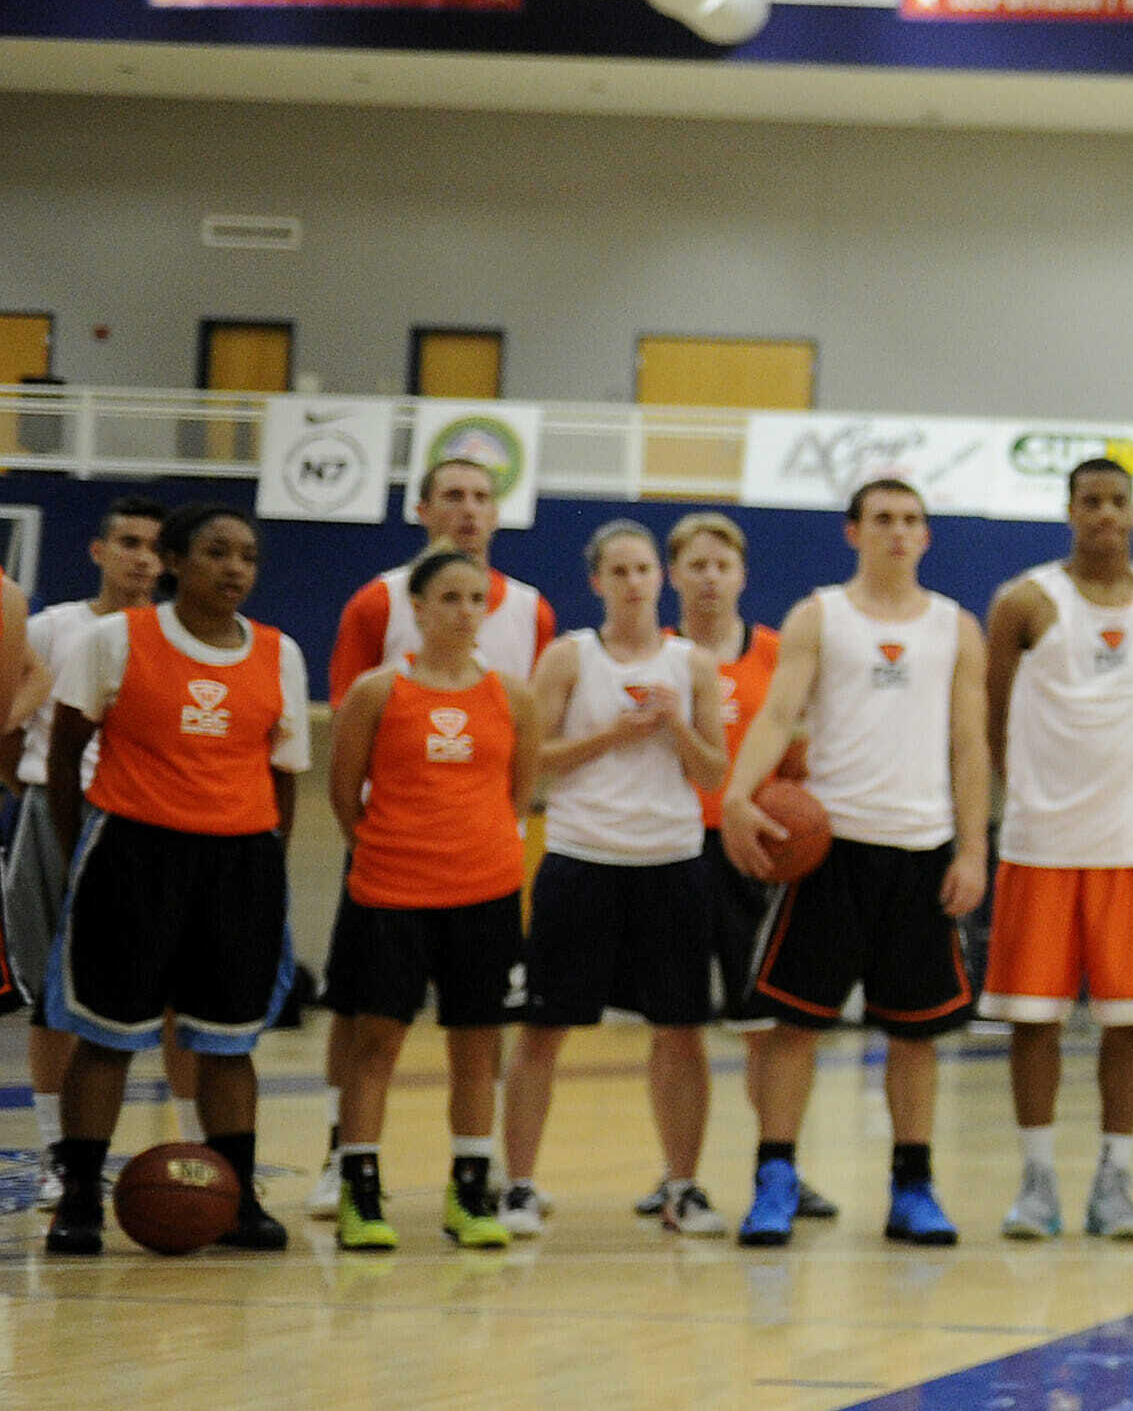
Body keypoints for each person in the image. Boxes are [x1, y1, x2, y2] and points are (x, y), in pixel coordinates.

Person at [717, 477, 991, 1248]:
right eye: (882, 520)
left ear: (926, 537)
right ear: (854, 532)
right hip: (831, 850)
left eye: (911, 521)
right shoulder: (820, 615)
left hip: (921, 850)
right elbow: (777, 714)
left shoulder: (954, 627)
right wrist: (740, 794)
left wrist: (973, 848)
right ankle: (775, 1177)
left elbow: (970, 746)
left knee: (915, 1034)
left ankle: (913, 1186)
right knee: (794, 1027)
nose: (897, 532)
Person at [38, 504, 306, 1258]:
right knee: (106, 1035)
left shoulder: (280, 653)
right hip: (132, 853)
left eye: (248, 556)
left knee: (227, 1041)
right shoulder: (114, 640)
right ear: (174, 562)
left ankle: (238, 1198)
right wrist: (81, 846)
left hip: (240, 861)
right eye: (217, 552)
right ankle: (81, 1199)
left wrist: (261, 858)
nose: (235, 569)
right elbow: (65, 758)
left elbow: (284, 774)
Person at [310, 455, 554, 1223]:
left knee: (477, 1035)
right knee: (363, 1021)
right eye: (454, 496)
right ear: (423, 509)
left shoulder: (533, 613)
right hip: (391, 853)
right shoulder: (374, 603)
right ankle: (340, 1161)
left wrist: (494, 834)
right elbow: (344, 763)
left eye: (483, 497)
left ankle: (474, 1182)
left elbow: (523, 775)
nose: (470, 509)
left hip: (478, 860)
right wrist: (375, 837)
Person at [983, 458, 1133, 1243]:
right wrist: (1027, 794)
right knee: (1031, 1020)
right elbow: (993, 717)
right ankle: (1037, 1180)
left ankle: (1115, 1179)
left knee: (1130, 1020)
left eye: (1118, 501)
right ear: (1069, 510)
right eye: (1090, 501)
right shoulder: (1024, 602)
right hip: (1041, 844)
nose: (1105, 513)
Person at [508, 522, 730, 1237]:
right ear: (597, 581)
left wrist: (674, 730)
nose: (635, 582)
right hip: (581, 858)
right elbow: (531, 758)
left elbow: (714, 773)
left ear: (658, 579)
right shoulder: (570, 656)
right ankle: (517, 1186)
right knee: (544, 1029)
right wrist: (614, 736)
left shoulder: (692, 665)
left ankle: (684, 1186)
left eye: (644, 569)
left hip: (669, 861)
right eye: (620, 571)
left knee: (682, 1031)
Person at [664, 511, 833, 1224]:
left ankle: (780, 1165)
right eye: (695, 565)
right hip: (669, 846)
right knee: (676, 1024)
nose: (708, 578)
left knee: (768, 1022)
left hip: (757, 849)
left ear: (742, 576)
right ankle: (678, 1178)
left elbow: (801, 751)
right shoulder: (656, 656)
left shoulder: (774, 654)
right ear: (673, 575)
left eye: (721, 566)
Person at [11, 497, 165, 1190]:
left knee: (143, 995)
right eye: (128, 541)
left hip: (146, 823)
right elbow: (8, 722)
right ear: (99, 551)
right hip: (54, 811)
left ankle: (178, 1143)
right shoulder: (49, 628)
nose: (141, 557)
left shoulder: (172, 636)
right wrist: (33, 790)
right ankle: (55, 1152)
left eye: (155, 547)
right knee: (51, 992)